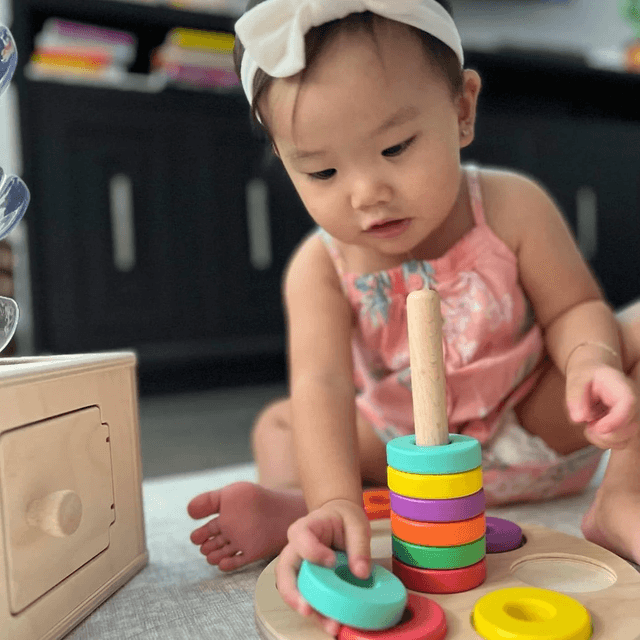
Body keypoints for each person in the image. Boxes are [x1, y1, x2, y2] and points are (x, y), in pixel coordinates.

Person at [188, 1, 640, 635]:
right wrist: (335, 496)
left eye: (396, 147)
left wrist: (591, 362)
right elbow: (321, 385)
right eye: (321, 170)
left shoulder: (511, 206)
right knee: (286, 421)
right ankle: (317, 514)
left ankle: (622, 500)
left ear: (462, 109)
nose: (366, 192)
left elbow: (575, 308)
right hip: (405, 463)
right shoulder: (319, 268)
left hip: (536, 425)